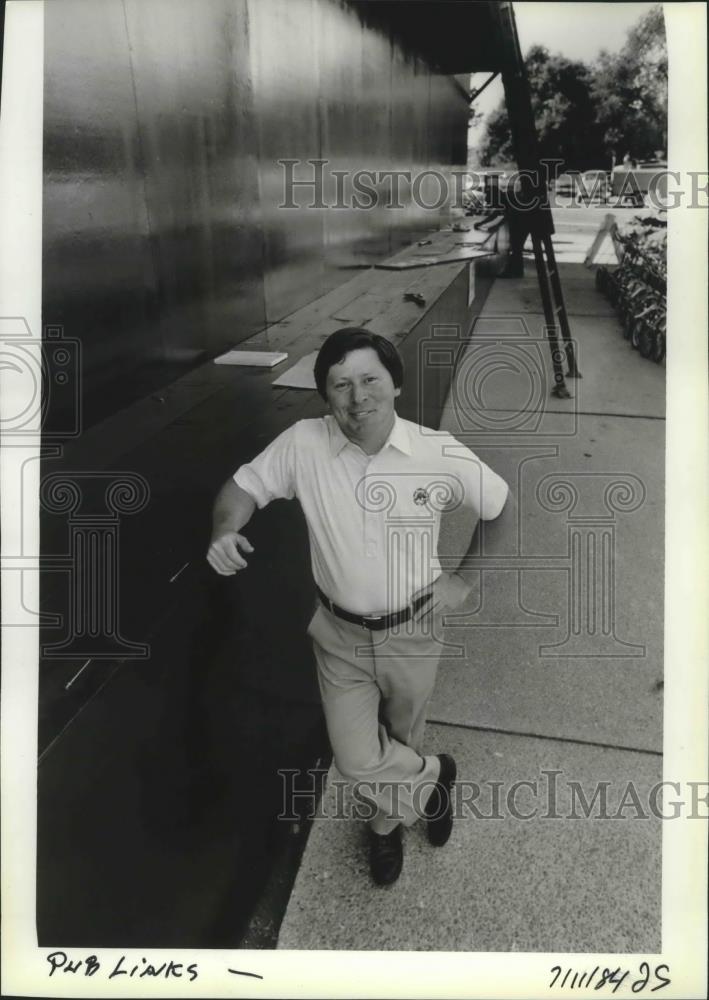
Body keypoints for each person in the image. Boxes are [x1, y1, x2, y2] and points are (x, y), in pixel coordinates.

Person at [206, 328, 509, 885]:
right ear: (325, 396)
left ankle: (384, 829)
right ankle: (435, 779)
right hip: (338, 634)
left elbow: (499, 504)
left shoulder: (436, 451)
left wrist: (465, 579)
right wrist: (225, 530)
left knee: (401, 738)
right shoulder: (303, 444)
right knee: (355, 756)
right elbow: (240, 488)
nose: (356, 397)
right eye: (339, 385)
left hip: (413, 630)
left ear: (395, 385)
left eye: (370, 379)